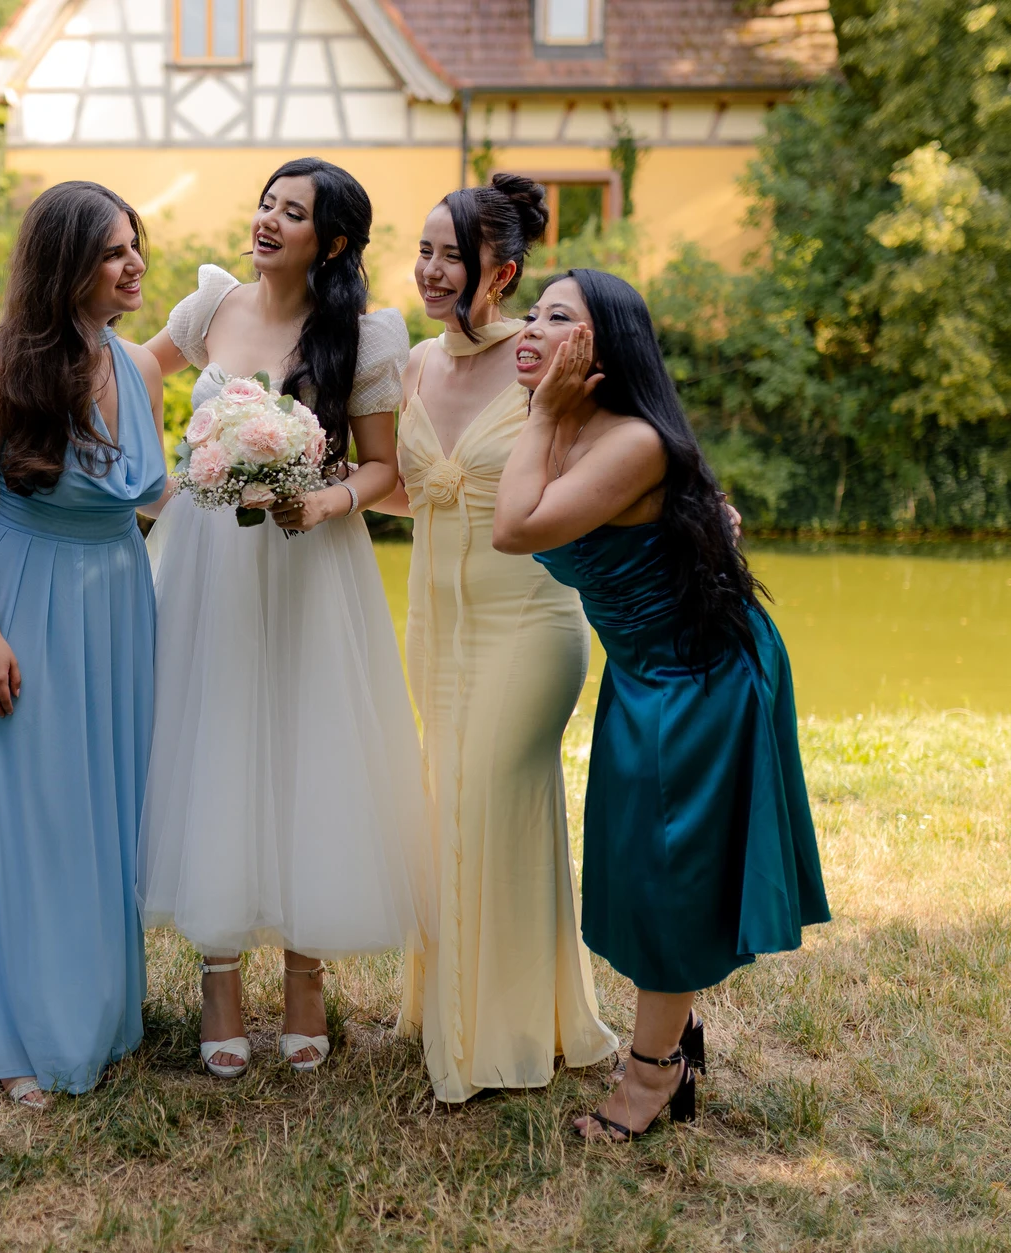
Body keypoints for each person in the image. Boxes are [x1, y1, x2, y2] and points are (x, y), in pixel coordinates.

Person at [491, 268, 830, 1142]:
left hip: (701, 676)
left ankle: (652, 1076)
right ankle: (674, 1031)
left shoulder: (630, 440)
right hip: (645, 670)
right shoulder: (572, 427)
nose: (531, 328)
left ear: (604, 347)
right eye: (531, 312)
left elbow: (514, 529)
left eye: (558, 317)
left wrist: (540, 414)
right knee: (643, 867)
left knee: (669, 875)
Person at [137, 157, 423, 1078]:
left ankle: (307, 974)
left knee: (311, 744)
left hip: (312, 558)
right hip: (208, 556)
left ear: (330, 242)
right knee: (215, 737)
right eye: (265, 203)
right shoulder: (210, 305)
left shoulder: (365, 336)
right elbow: (131, 370)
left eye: (291, 212)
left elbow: (382, 467)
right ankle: (218, 977)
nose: (267, 220)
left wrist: (329, 499)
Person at [368, 176, 618, 1102]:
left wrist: (703, 502)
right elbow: (414, 489)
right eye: (424, 251)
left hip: (528, 625)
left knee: (488, 801)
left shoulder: (545, 358)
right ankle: (485, 1010)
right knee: (453, 810)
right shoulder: (413, 366)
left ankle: (493, 1041)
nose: (431, 271)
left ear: (502, 272)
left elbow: (628, 441)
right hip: (436, 627)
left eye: (453, 257)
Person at [0, 182, 166, 1109]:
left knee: (106, 806)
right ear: (64, 263)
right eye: (113, 250)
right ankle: (22, 1035)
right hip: (22, 597)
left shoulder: (139, 366)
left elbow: (143, 494)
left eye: (134, 244)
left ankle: (100, 1011)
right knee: (35, 816)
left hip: (115, 599)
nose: (133, 263)